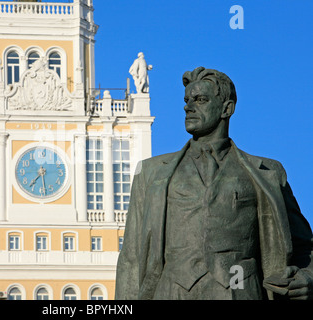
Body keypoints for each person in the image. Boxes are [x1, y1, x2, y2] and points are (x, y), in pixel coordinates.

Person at [115, 67, 313, 300]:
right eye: (187, 100)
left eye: (200, 100)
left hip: (241, 292)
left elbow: (305, 248)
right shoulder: (150, 173)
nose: (188, 106)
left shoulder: (267, 173)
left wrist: (307, 278)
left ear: (226, 109)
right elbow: (131, 259)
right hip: (170, 293)